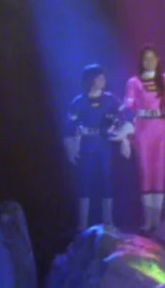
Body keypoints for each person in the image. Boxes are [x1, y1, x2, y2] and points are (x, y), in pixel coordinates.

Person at [119, 44, 165, 231]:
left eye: (152, 57)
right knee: (145, 173)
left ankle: (156, 220)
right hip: (142, 129)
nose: (149, 61)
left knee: (159, 173)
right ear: (141, 61)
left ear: (158, 60)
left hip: (161, 129)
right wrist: (123, 124)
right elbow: (128, 105)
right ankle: (147, 219)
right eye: (146, 58)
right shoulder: (134, 82)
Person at [63, 64, 126, 231]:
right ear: (90, 80)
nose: (102, 81)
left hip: (105, 144)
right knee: (85, 181)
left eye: (103, 77)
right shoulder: (79, 101)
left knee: (107, 180)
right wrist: (71, 148)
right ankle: (83, 224)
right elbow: (69, 126)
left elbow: (124, 115)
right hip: (87, 145)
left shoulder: (111, 99)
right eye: (98, 77)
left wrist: (124, 137)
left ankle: (109, 222)